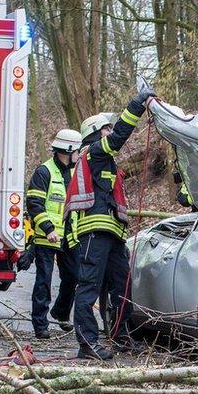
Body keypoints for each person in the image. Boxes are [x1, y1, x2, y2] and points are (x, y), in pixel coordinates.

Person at [66, 88, 155, 360]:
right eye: (105, 129)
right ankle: (87, 344)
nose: (109, 132)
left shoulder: (104, 160)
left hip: (112, 234)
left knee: (122, 285)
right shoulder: (95, 152)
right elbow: (119, 137)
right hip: (94, 232)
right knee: (89, 288)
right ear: (95, 134)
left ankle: (121, 336)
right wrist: (137, 106)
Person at [25, 129, 83, 340]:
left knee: (74, 276)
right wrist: (49, 229)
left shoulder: (75, 172)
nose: (79, 155)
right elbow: (34, 204)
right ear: (68, 150)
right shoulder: (44, 172)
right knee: (44, 281)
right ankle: (40, 325)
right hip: (47, 237)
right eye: (77, 150)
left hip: (70, 236)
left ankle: (60, 312)